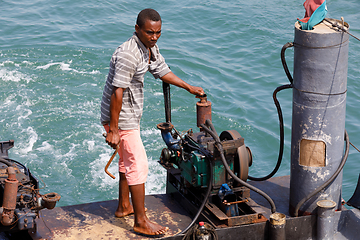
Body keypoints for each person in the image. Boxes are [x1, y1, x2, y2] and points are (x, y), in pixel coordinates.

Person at [100, 8, 204, 236]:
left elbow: (161, 70)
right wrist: (114, 130)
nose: (154, 37)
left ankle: (124, 207)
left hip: (129, 116)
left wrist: (189, 87)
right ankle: (140, 221)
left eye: (158, 32)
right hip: (122, 117)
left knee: (127, 162)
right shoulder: (129, 54)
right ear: (137, 29)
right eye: (149, 32)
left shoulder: (149, 48)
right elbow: (117, 92)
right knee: (138, 164)